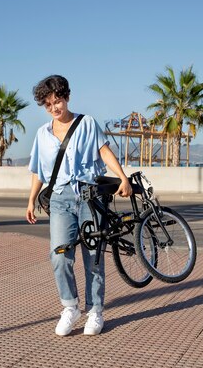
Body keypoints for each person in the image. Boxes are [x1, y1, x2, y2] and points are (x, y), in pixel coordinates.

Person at [26, 75, 132, 336]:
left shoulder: (87, 123)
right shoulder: (42, 134)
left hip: (90, 195)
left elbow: (104, 151)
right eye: (48, 104)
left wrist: (122, 177)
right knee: (59, 255)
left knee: (93, 256)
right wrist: (30, 200)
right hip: (60, 199)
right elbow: (39, 171)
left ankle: (95, 311)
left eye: (57, 101)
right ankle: (70, 307)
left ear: (67, 97)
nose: (54, 108)